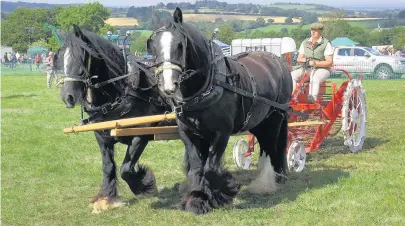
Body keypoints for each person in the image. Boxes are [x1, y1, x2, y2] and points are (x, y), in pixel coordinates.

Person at [290, 22, 333, 103]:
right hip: (306, 68)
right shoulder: (305, 42)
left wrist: (315, 63)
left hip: (323, 69)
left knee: (315, 77)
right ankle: (292, 96)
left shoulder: (326, 44)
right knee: (291, 75)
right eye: (312, 30)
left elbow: (329, 62)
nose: (313, 32)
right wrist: (305, 61)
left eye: (315, 31)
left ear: (320, 32)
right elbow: (299, 58)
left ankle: (312, 99)